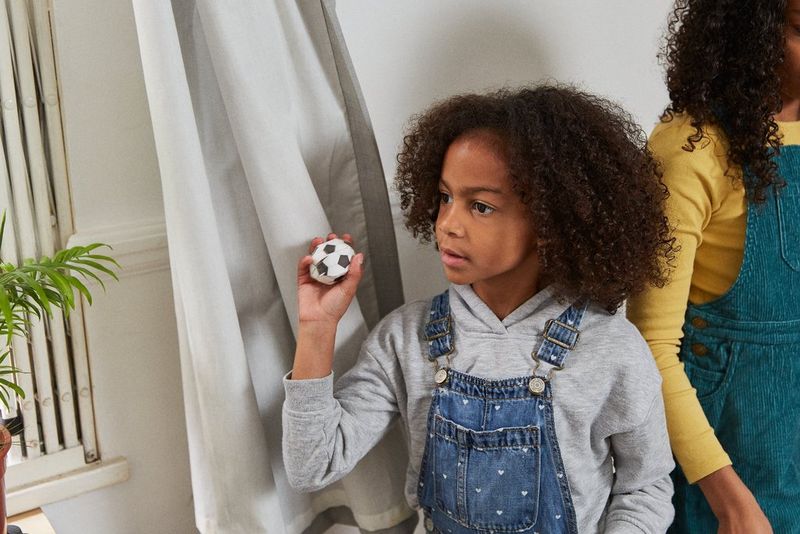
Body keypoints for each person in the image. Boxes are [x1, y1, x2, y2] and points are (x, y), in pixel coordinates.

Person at [283, 85, 677, 533]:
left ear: (550, 220)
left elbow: (645, 488)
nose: (447, 224)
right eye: (445, 197)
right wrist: (317, 326)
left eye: (481, 206)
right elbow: (312, 466)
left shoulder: (612, 349)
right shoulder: (405, 338)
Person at [627, 0, 800, 532]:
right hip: (733, 462)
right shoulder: (693, 150)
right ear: (753, 27)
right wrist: (731, 503)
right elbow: (651, 349)